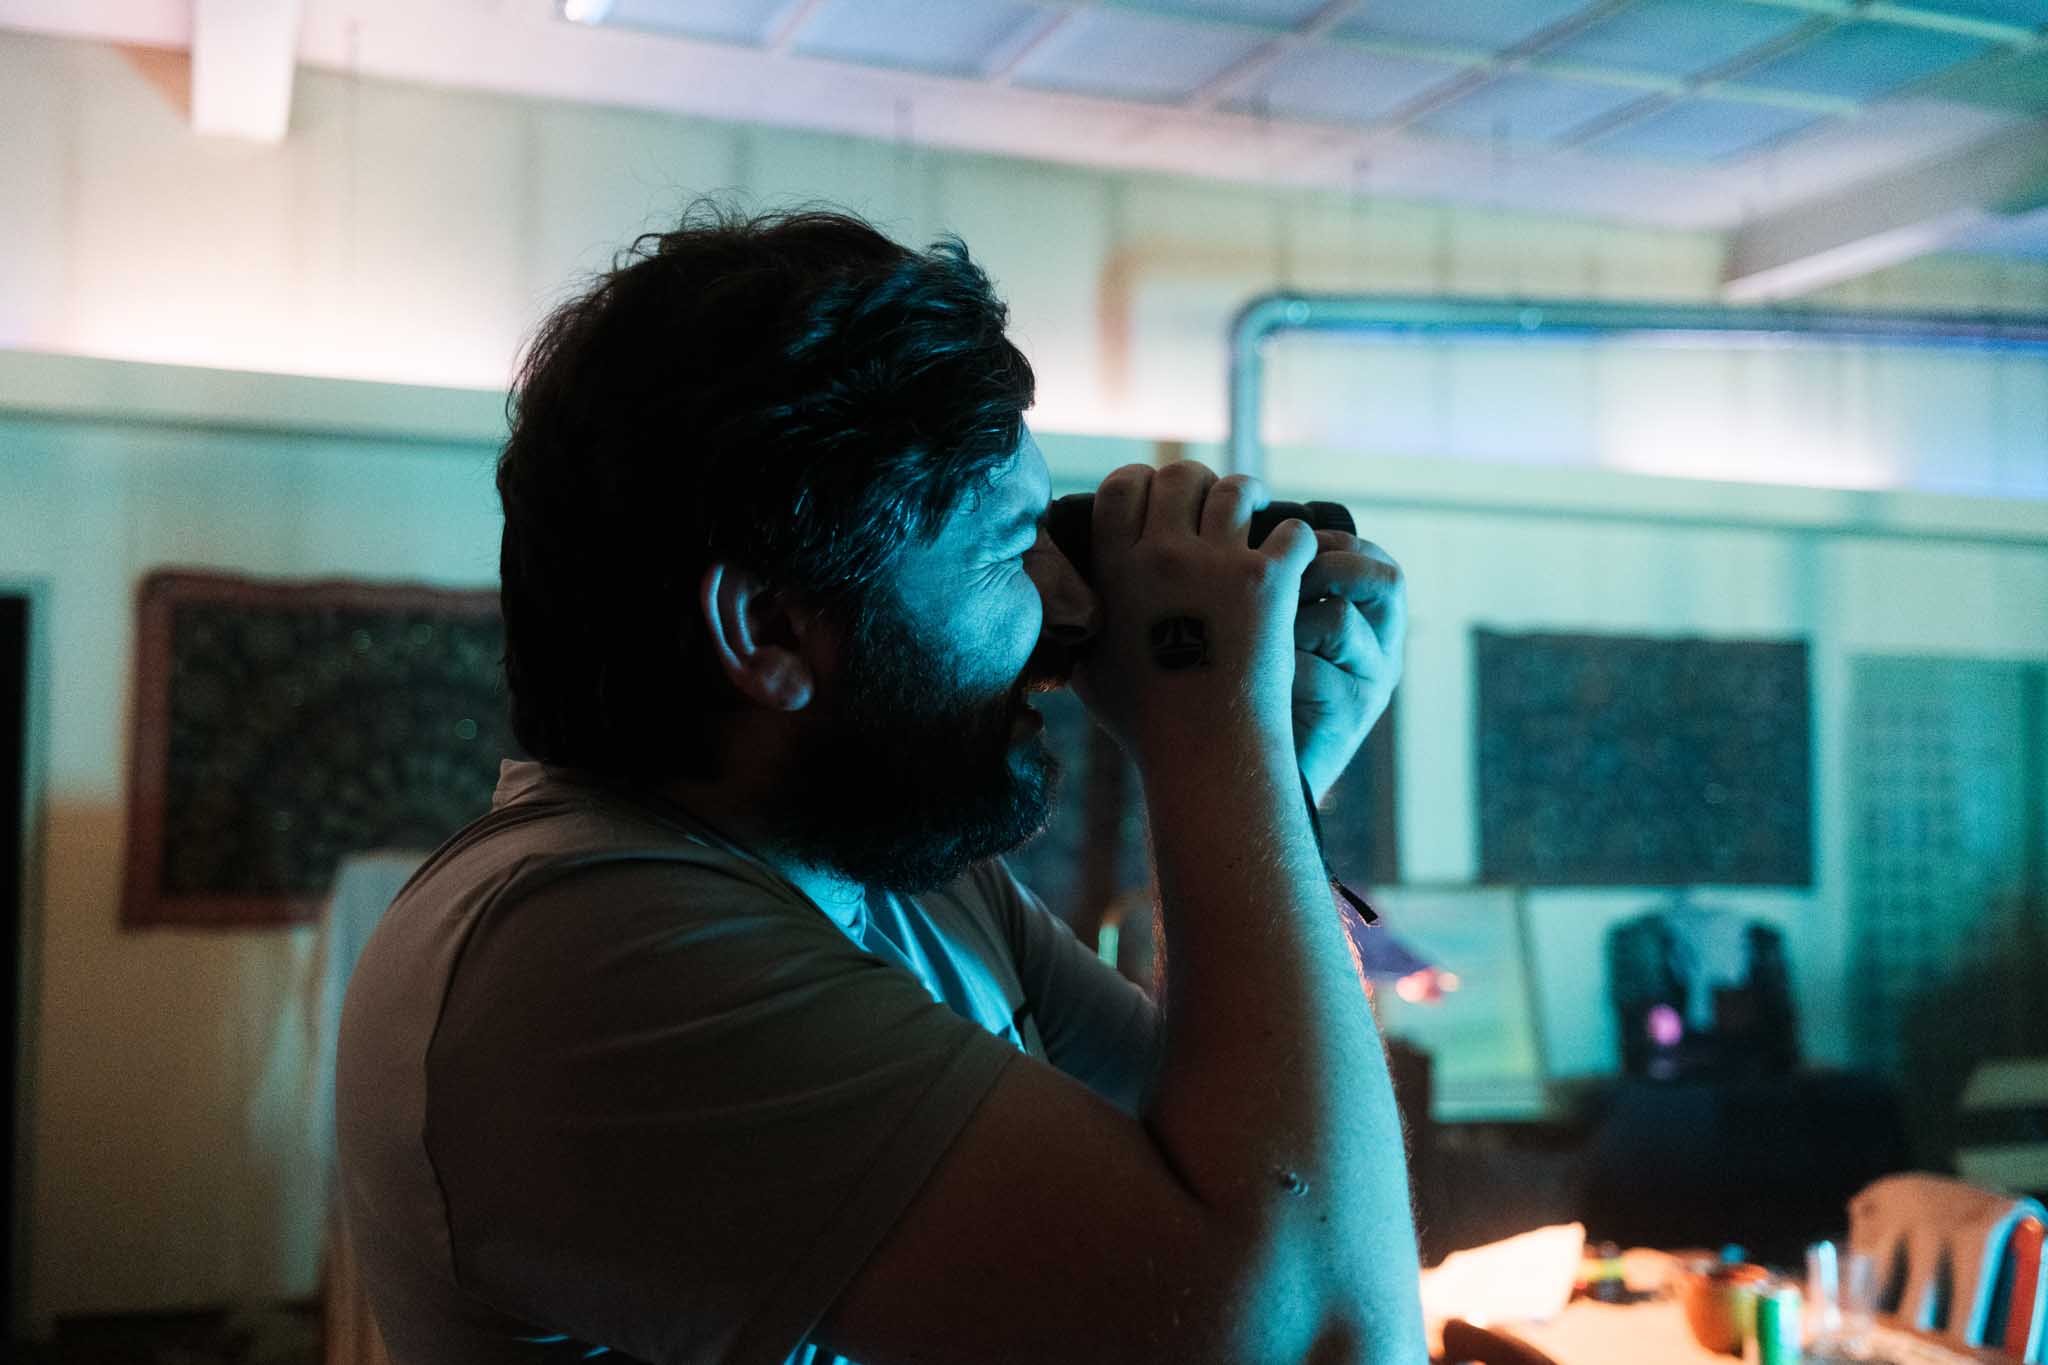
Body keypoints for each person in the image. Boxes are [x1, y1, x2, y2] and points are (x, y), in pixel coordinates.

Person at [335, 205, 1423, 1365]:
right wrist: (1218, 742)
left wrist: (1270, 772)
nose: (1071, 607)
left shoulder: (908, 877)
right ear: (767, 628)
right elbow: (1324, 1330)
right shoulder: (581, 954)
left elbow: (1247, 1146)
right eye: (1011, 552)